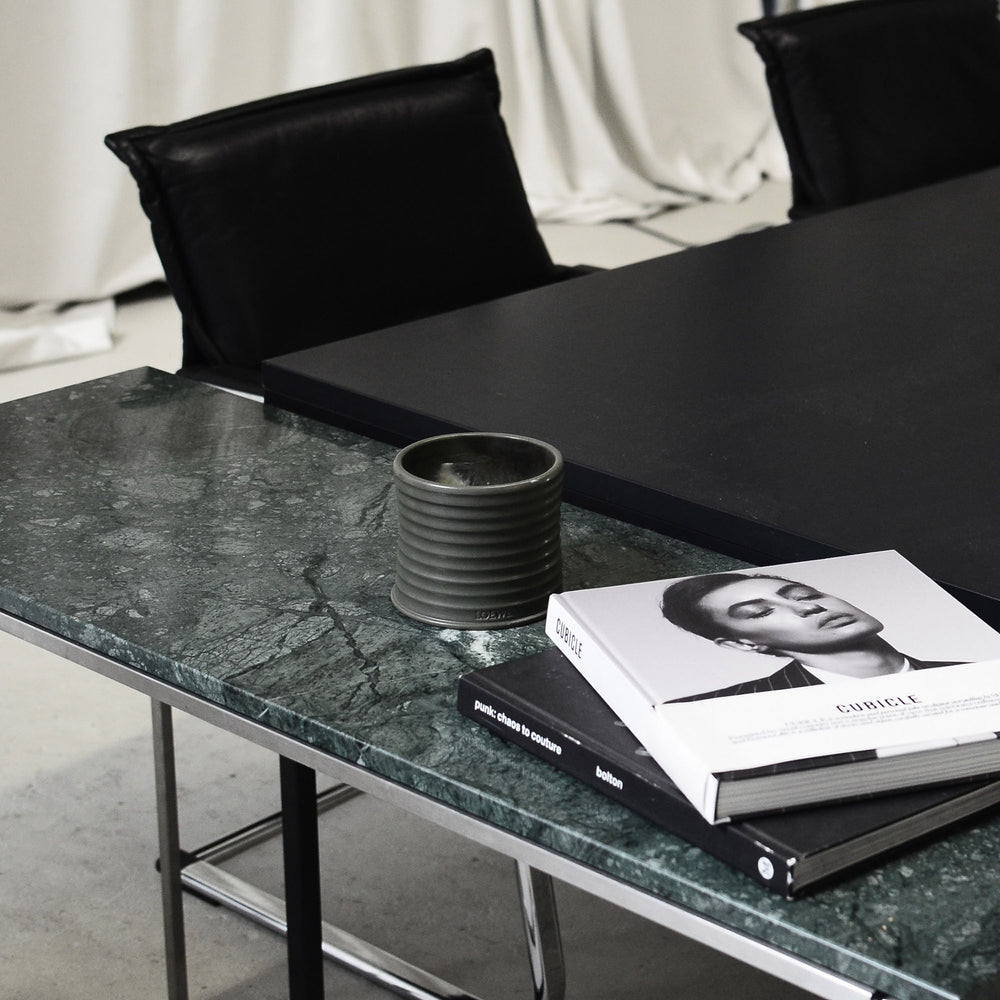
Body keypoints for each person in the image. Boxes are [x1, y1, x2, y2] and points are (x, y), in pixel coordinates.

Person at [660, 572, 960, 701]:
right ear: (742, 643)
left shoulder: (978, 673)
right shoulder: (707, 711)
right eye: (759, 612)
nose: (807, 606)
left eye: (805, 594)